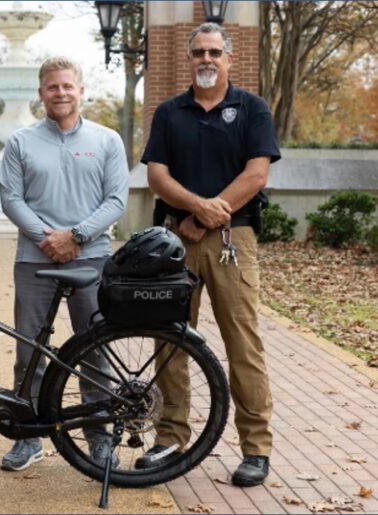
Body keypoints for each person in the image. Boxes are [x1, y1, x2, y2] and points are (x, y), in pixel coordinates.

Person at [138, 22, 280, 487]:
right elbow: (157, 175)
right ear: (189, 58)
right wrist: (195, 207)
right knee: (170, 340)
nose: (206, 59)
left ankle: (255, 449)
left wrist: (205, 216)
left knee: (243, 344)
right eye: (198, 52)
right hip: (175, 242)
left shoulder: (252, 108)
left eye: (215, 52)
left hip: (231, 242)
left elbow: (256, 175)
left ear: (229, 59)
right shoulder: (169, 112)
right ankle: (170, 436)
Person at [0, 57, 129, 471]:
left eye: (68, 86)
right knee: (30, 350)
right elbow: (11, 199)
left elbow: (116, 201)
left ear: (81, 90)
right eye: (52, 87)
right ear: (41, 93)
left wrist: (75, 236)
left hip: (91, 259)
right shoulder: (20, 141)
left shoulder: (107, 140)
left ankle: (98, 436)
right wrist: (46, 239)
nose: (61, 93)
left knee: (94, 349)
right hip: (34, 261)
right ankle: (30, 436)